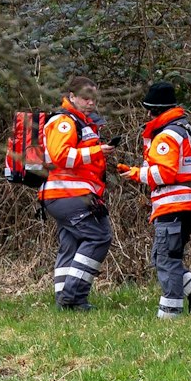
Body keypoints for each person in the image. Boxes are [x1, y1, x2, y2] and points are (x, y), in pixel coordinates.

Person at [118, 81, 191, 317]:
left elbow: (165, 173)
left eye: (149, 110)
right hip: (186, 204)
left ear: (155, 110)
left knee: (166, 260)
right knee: (165, 257)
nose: (147, 115)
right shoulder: (184, 128)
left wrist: (134, 173)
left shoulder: (166, 135)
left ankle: (170, 316)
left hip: (173, 205)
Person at [39, 75, 113, 311]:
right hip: (68, 193)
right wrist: (97, 152)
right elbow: (61, 156)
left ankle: (65, 302)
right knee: (98, 236)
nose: (91, 103)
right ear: (72, 97)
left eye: (93, 98)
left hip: (69, 194)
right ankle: (73, 296)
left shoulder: (83, 122)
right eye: (85, 98)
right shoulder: (64, 121)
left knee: (70, 243)